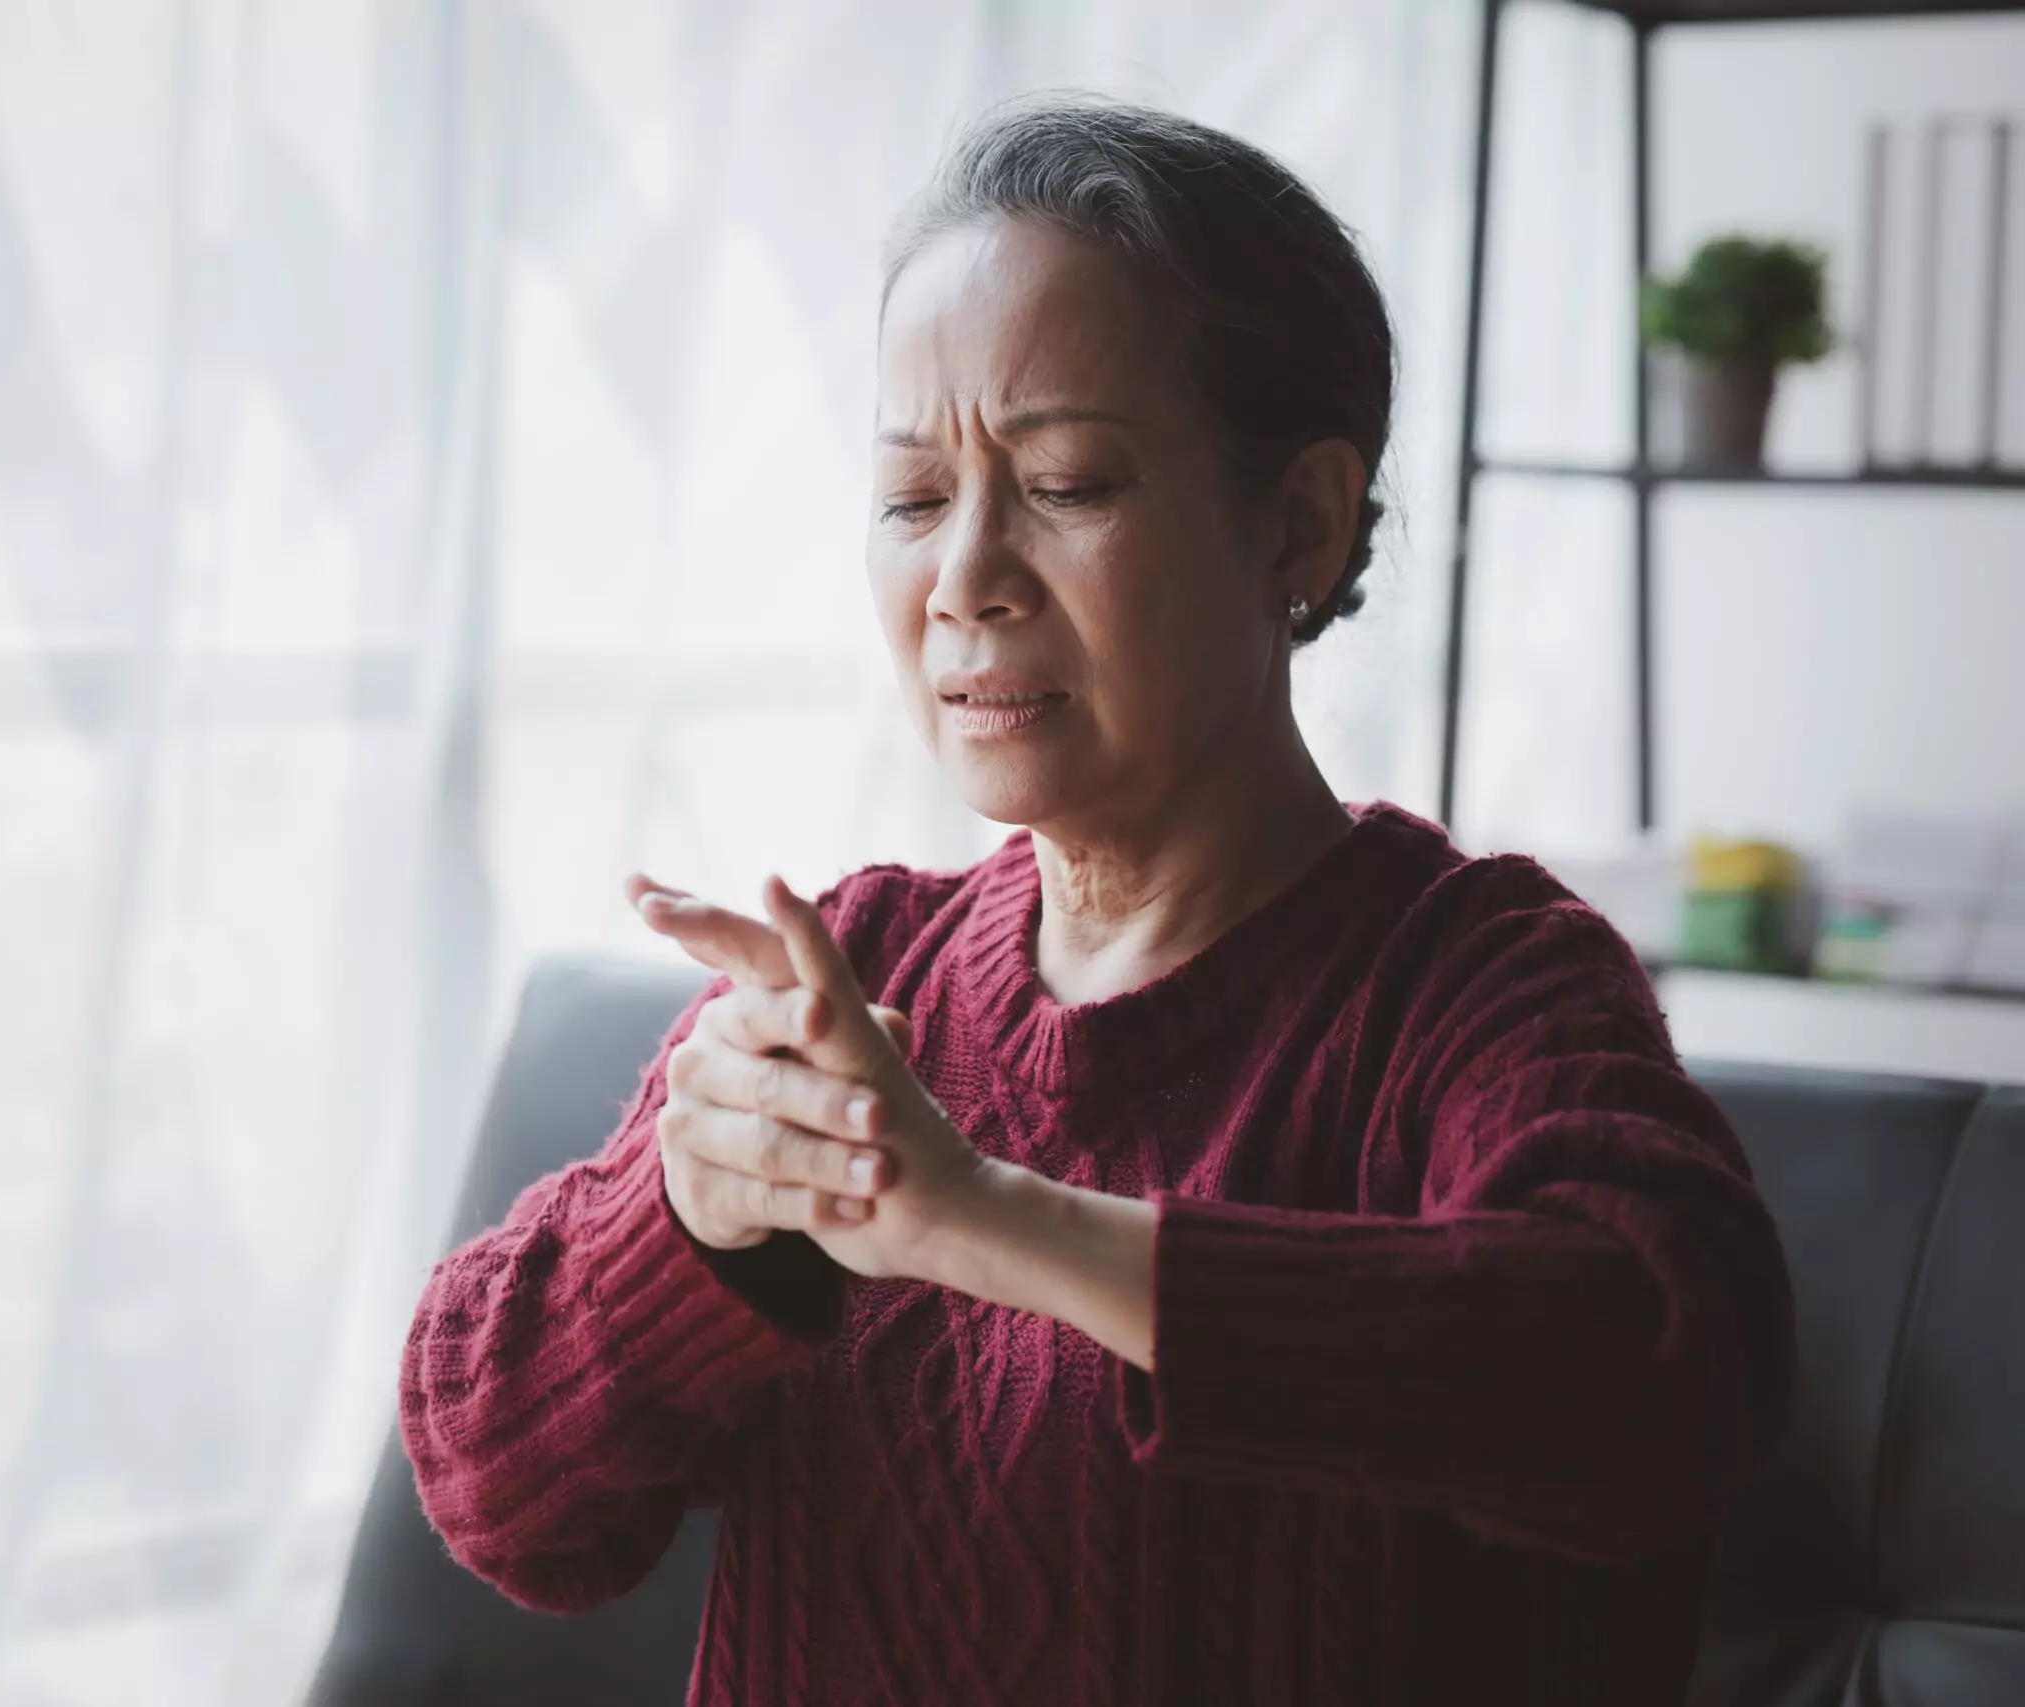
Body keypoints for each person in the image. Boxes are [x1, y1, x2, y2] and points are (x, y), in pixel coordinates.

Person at [398, 95, 1794, 1706]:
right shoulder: (857, 964)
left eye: (1063, 482)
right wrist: (690, 1223)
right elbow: (498, 1494)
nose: (965, 576)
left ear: (1301, 519)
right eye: (915, 499)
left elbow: (1666, 1371)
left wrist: (984, 1215)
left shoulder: (1474, 985)